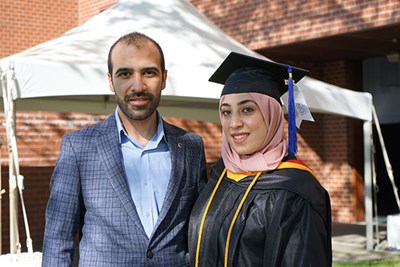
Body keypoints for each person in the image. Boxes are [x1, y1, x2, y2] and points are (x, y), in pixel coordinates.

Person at [42, 31, 207, 267]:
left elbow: (199, 231)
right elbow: (58, 241)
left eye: (149, 72)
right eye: (125, 74)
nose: (137, 86)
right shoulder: (78, 147)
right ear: (111, 80)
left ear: (164, 78)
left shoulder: (191, 146)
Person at [188, 52, 332, 267]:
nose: (234, 123)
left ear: (271, 114)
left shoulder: (295, 190)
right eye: (226, 112)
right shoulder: (220, 175)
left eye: (247, 110)